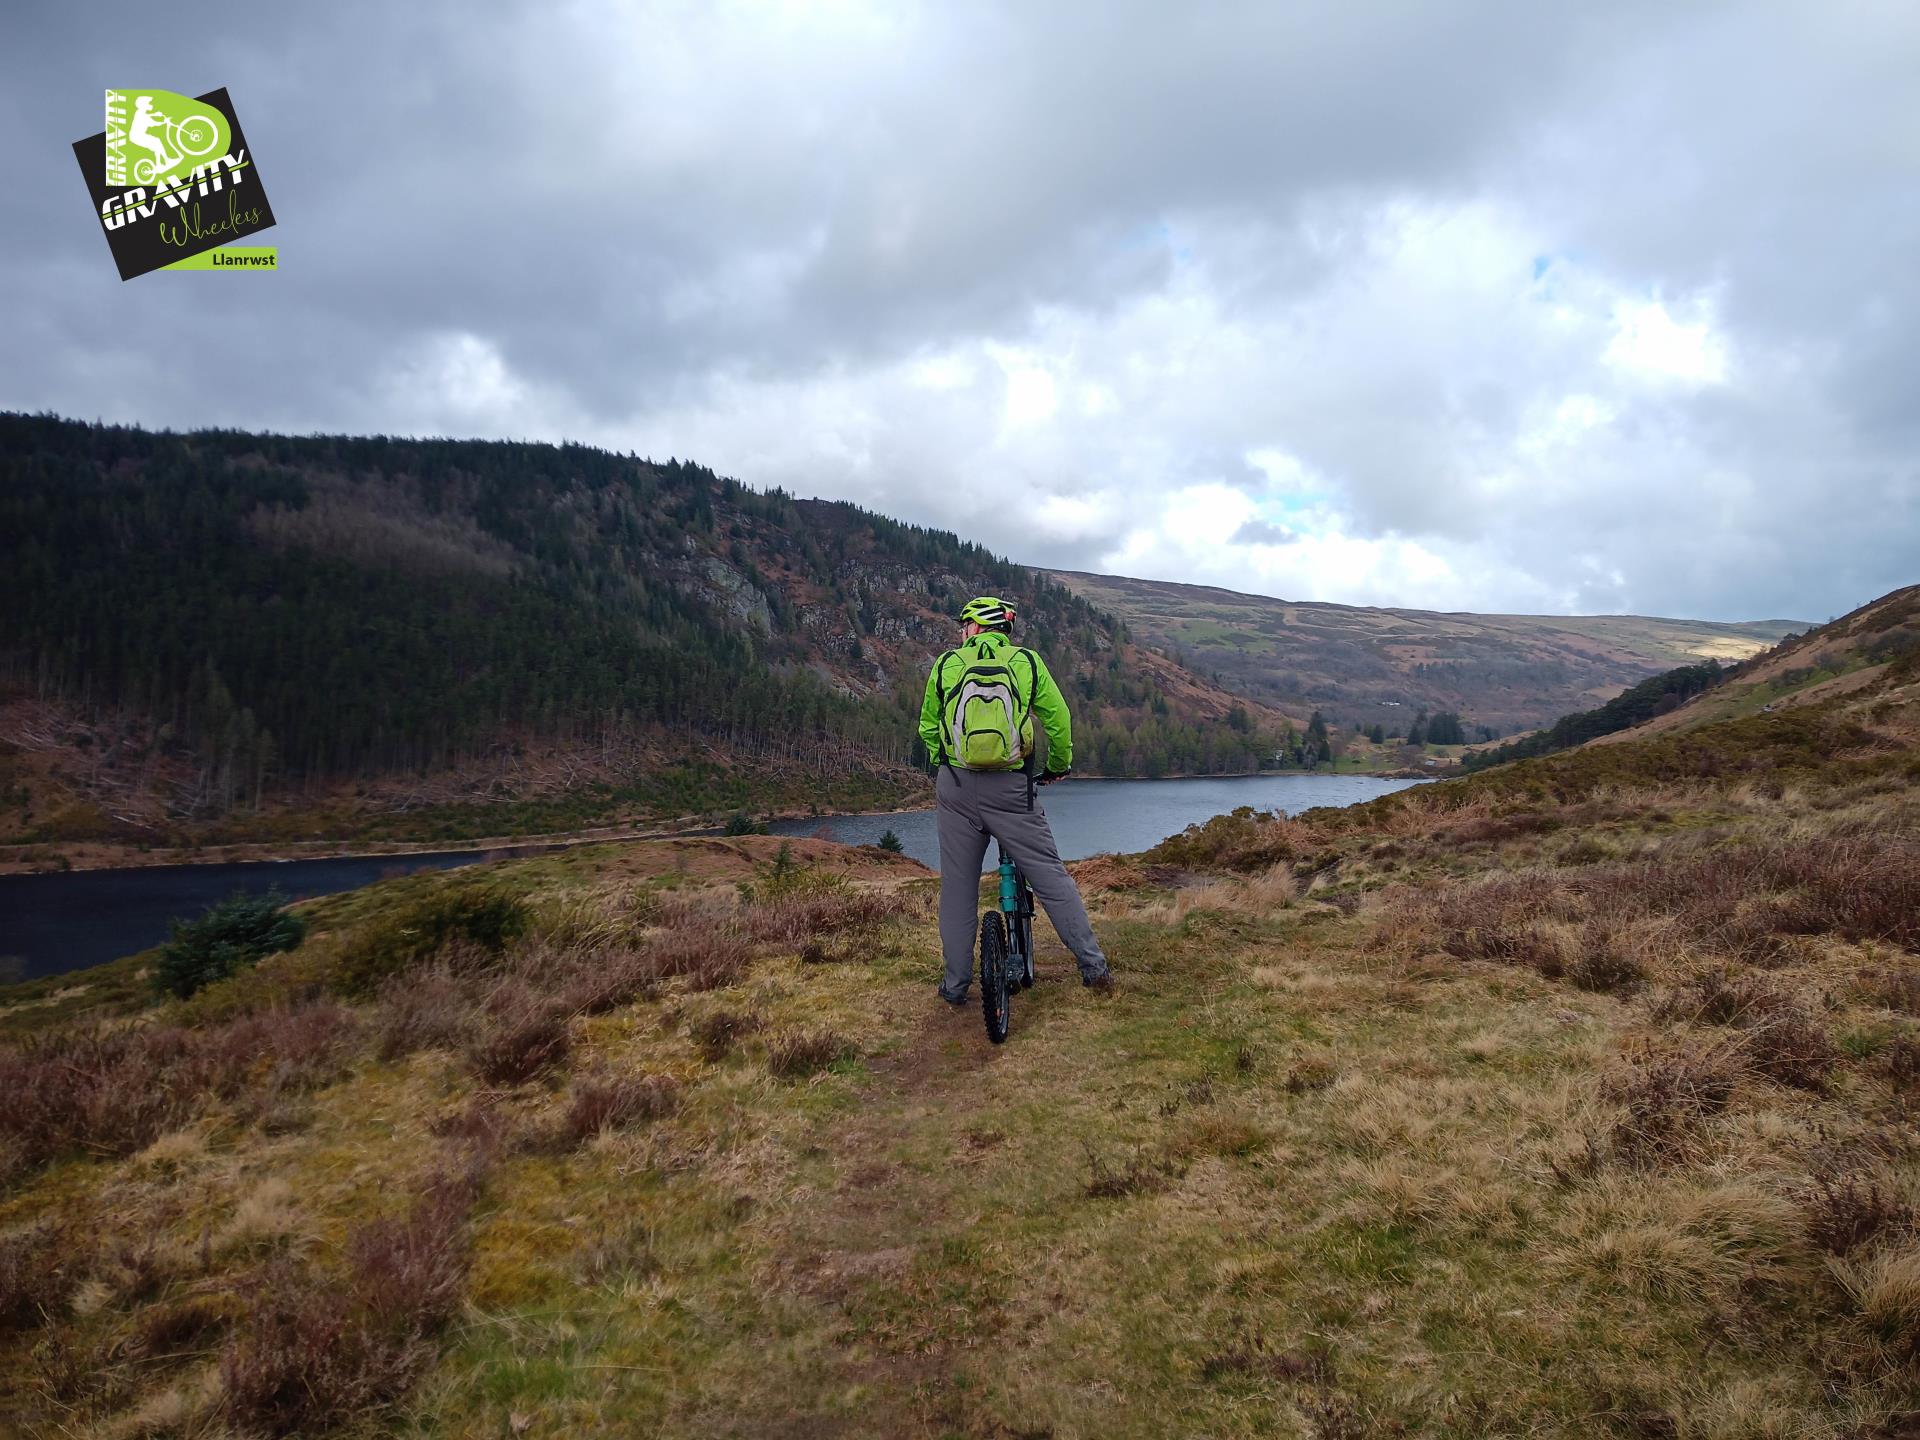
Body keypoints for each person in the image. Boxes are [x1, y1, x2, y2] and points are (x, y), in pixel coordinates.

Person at [918, 595, 1114, 1007]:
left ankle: (955, 987)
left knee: (957, 890)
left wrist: (943, 764)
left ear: (972, 627)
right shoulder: (1025, 662)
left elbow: (928, 727)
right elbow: (1058, 720)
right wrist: (1058, 765)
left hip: (956, 788)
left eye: (963, 625)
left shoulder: (946, 664)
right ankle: (1094, 968)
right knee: (1049, 876)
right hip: (1011, 787)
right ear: (1004, 629)